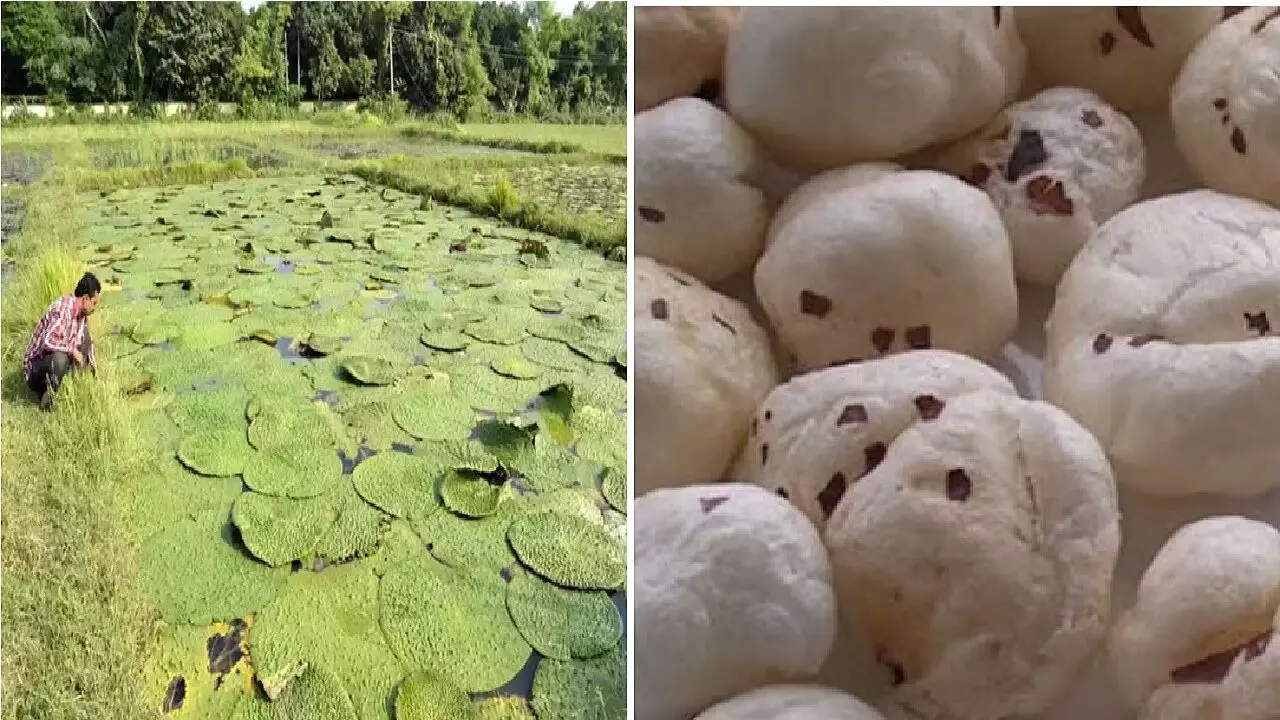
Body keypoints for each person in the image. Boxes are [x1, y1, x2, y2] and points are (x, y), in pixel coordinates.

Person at [23, 272, 101, 411]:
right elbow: (48, 341)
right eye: (94, 303)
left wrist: (94, 368)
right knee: (60, 359)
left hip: (51, 364)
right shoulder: (62, 309)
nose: (94, 307)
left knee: (85, 338)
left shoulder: (82, 316)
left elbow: (88, 343)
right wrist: (72, 350)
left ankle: (71, 389)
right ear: (85, 298)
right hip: (36, 369)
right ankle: (46, 403)